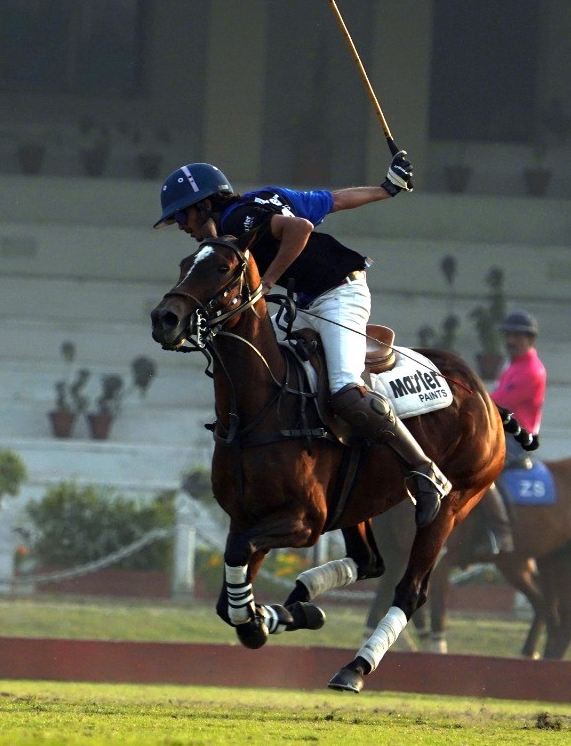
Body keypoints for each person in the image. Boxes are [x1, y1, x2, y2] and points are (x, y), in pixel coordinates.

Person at [154, 155, 453, 527]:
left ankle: (424, 471)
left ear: (205, 205)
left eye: (182, 217)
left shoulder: (237, 218)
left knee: (345, 389)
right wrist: (386, 189)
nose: (182, 227)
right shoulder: (268, 195)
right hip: (304, 303)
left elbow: (298, 229)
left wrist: (268, 280)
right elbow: (335, 200)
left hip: (340, 294)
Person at [478, 310, 546, 553]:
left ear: (530, 339)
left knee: (481, 471)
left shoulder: (531, 370)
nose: (509, 341)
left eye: (516, 336)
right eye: (508, 335)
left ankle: (502, 532)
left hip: (517, 440)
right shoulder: (513, 367)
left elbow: (498, 403)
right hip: (502, 434)